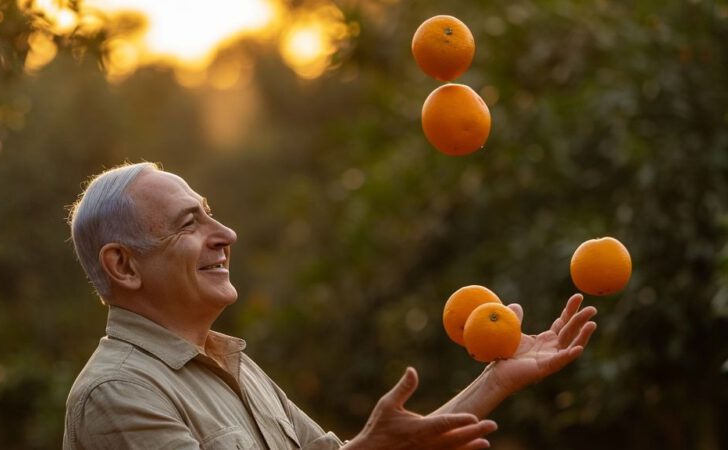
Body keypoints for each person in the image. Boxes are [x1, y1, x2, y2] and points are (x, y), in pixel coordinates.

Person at [62, 162, 598, 450]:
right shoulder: (119, 393)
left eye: (211, 215)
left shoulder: (233, 367)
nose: (224, 233)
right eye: (188, 223)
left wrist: (498, 379)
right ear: (123, 266)